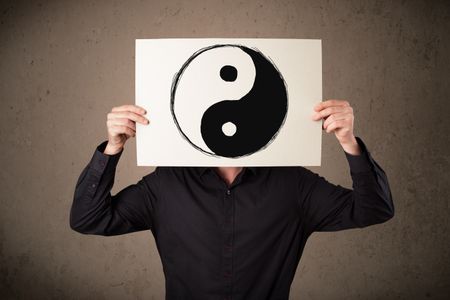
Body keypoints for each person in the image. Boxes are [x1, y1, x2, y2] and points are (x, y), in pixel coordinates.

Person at [70, 99, 394, 300]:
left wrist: (349, 142)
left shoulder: (292, 183)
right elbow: (89, 218)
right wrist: (113, 148)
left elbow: (374, 210)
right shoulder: (168, 182)